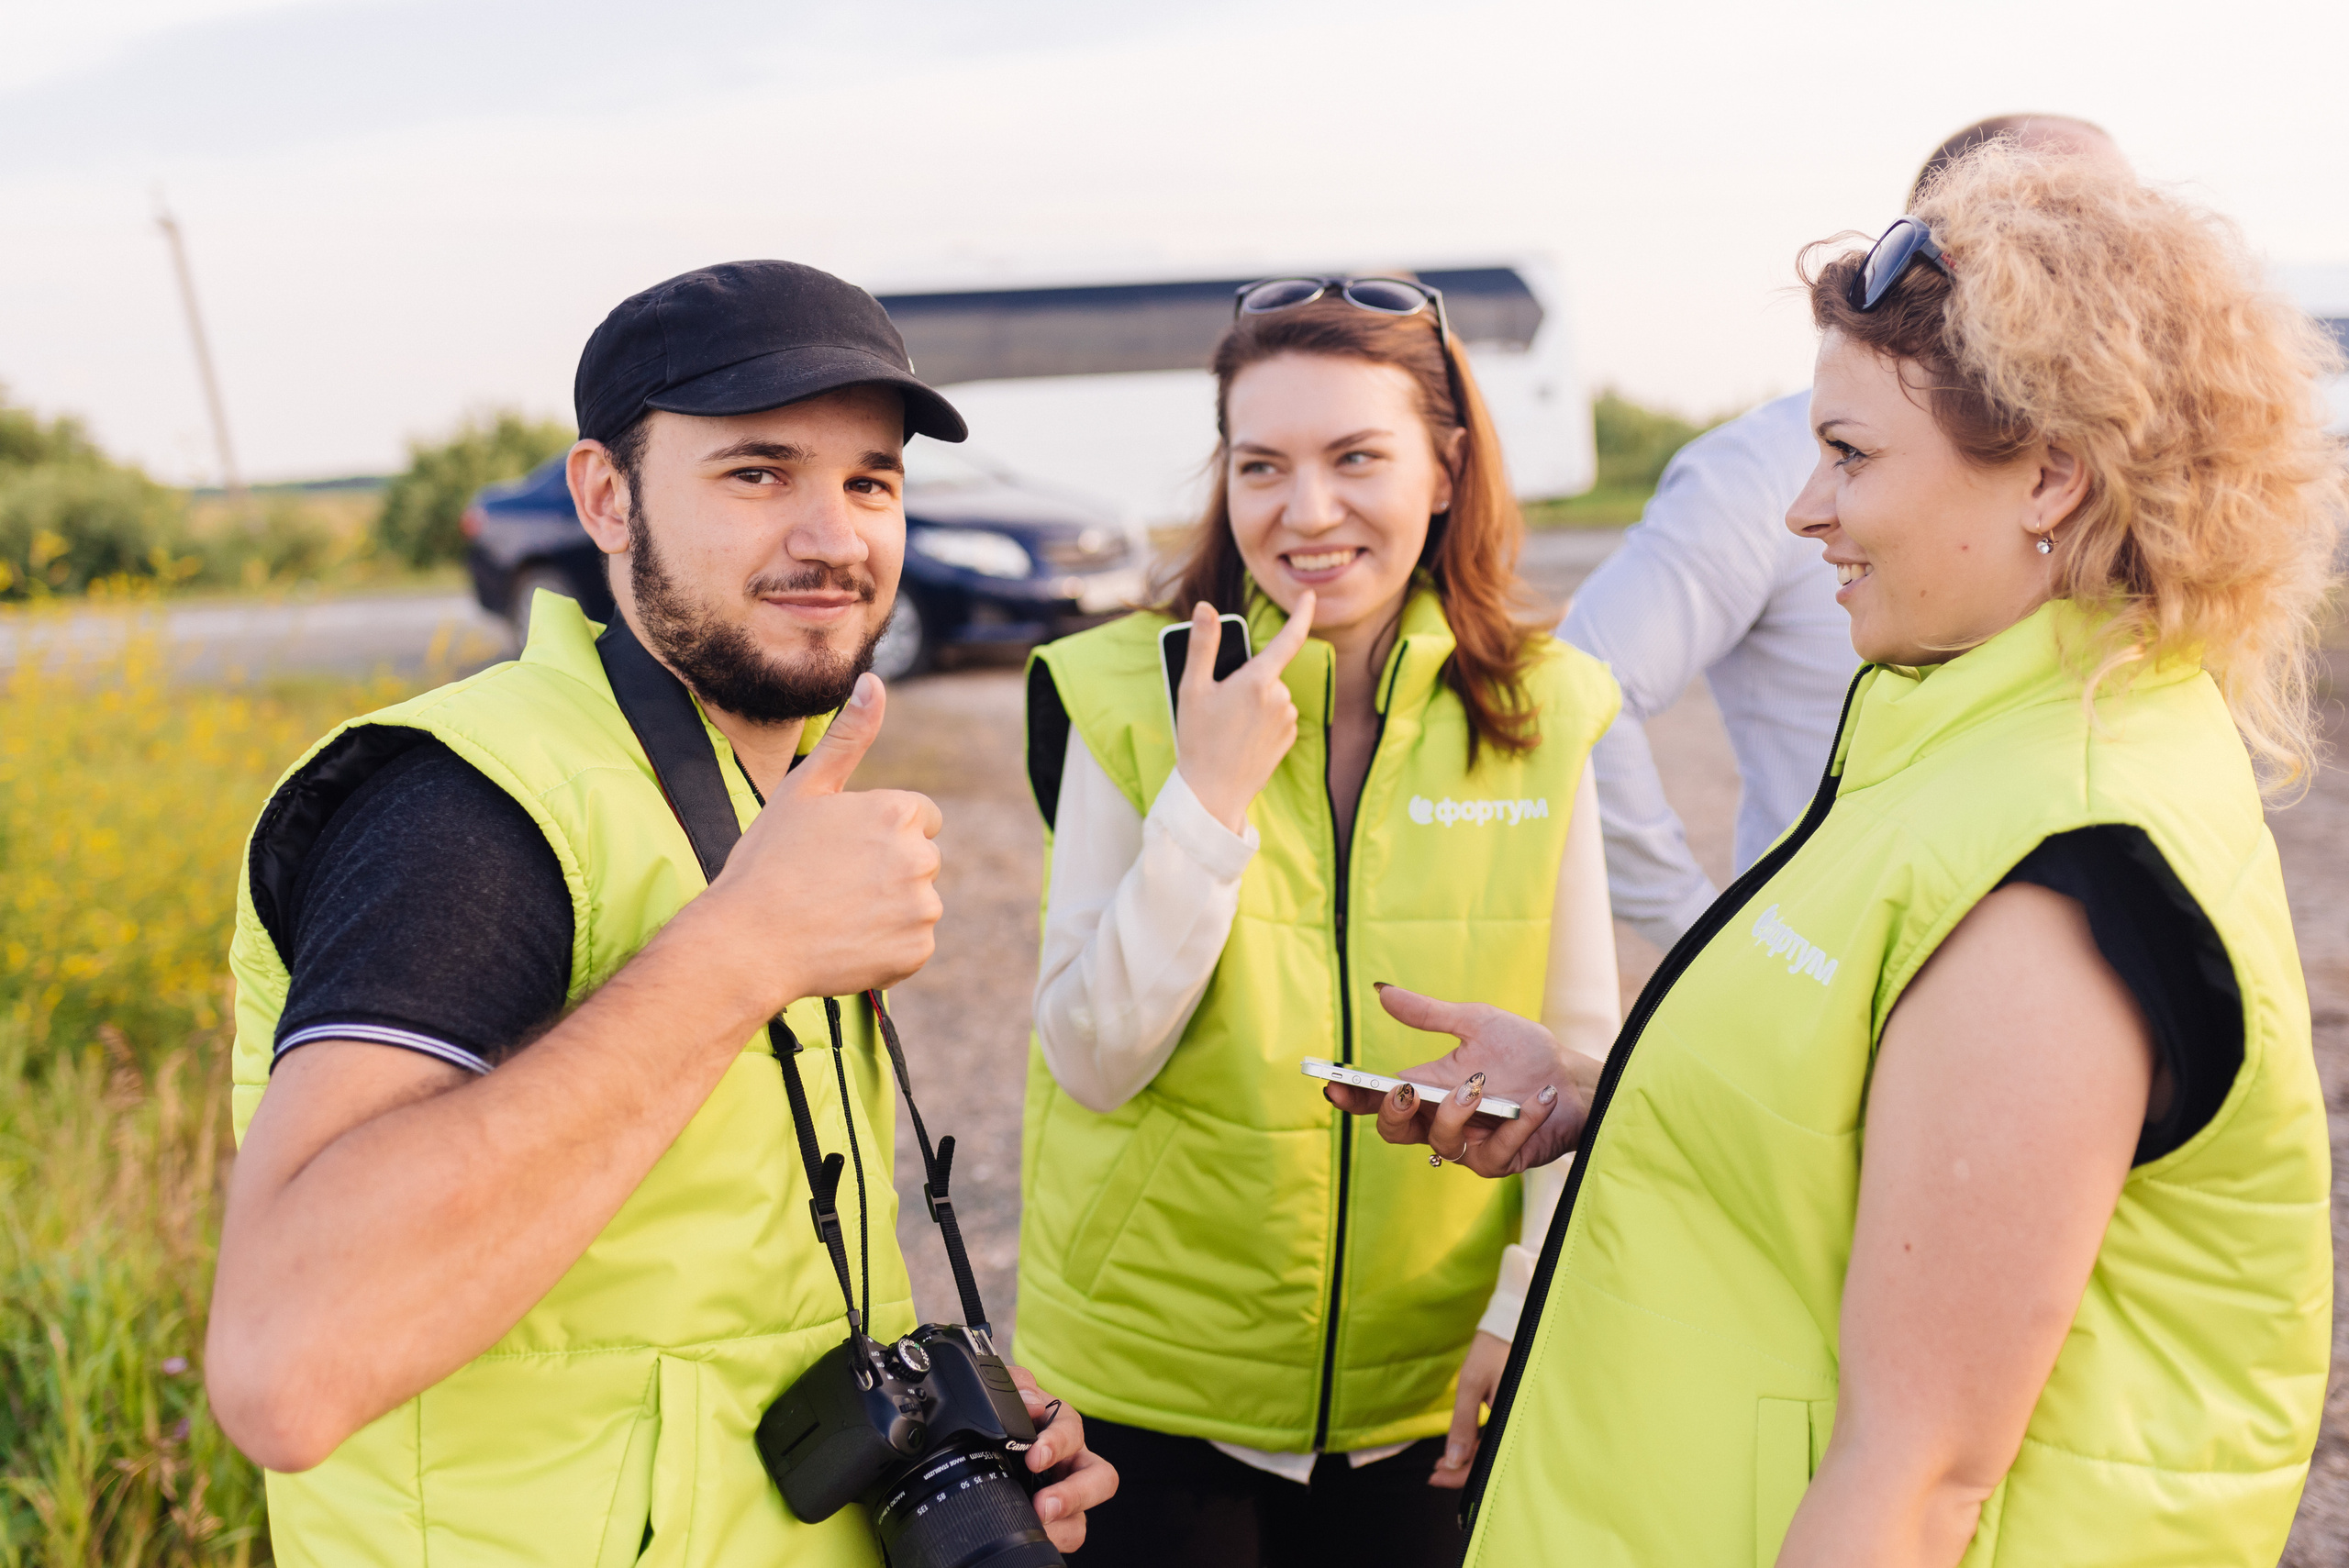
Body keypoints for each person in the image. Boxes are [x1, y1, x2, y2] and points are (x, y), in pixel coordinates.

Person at [1331, 147, 2343, 1565]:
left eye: (1851, 455)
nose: (1805, 508)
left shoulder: (2061, 872)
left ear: (2051, 475)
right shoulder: (1970, 735)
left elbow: (1914, 1483)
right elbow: (1880, 1131)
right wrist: (1592, 1091)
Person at [205, 261, 1115, 1563]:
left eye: (870, 480)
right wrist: (744, 951)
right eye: (757, 472)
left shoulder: (768, 797)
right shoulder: (469, 810)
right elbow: (285, 1368)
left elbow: (706, 1296)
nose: (833, 534)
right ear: (605, 497)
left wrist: (952, 1446)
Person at [1016, 278, 1623, 1565]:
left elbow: (1582, 1054)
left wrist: (1521, 1313)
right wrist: (1208, 795)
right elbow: (1091, 1052)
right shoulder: (1118, 694)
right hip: (1149, 1391)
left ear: (1447, 470)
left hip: (1428, 1390)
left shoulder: (1547, 708)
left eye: (1357, 458)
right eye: (1262, 465)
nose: (1306, 512)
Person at [1567, 113, 2127, 951]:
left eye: (2125, 236)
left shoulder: (2152, 497)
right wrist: (1704, 936)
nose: (2117, 268)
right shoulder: (1755, 471)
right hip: (1820, 983)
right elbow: (1584, 685)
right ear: (1929, 246)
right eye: (2053, 234)